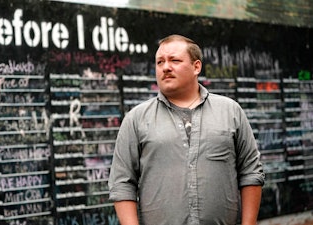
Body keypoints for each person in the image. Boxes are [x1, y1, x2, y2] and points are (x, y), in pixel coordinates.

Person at [108, 34, 265, 225]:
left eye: (174, 60)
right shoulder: (136, 119)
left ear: (196, 67)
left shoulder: (230, 111)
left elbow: (251, 172)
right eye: (160, 62)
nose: (166, 67)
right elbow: (122, 183)